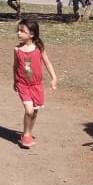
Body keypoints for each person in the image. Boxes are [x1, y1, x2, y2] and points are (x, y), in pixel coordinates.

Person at [13, 19, 58, 149]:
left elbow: (47, 63)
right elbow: (15, 66)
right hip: (23, 84)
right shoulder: (17, 50)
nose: (19, 33)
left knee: (35, 112)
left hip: (37, 85)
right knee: (29, 110)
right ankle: (26, 134)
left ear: (31, 34)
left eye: (22, 31)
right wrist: (14, 81)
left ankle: (28, 132)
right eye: (18, 30)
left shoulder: (39, 48)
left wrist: (54, 78)